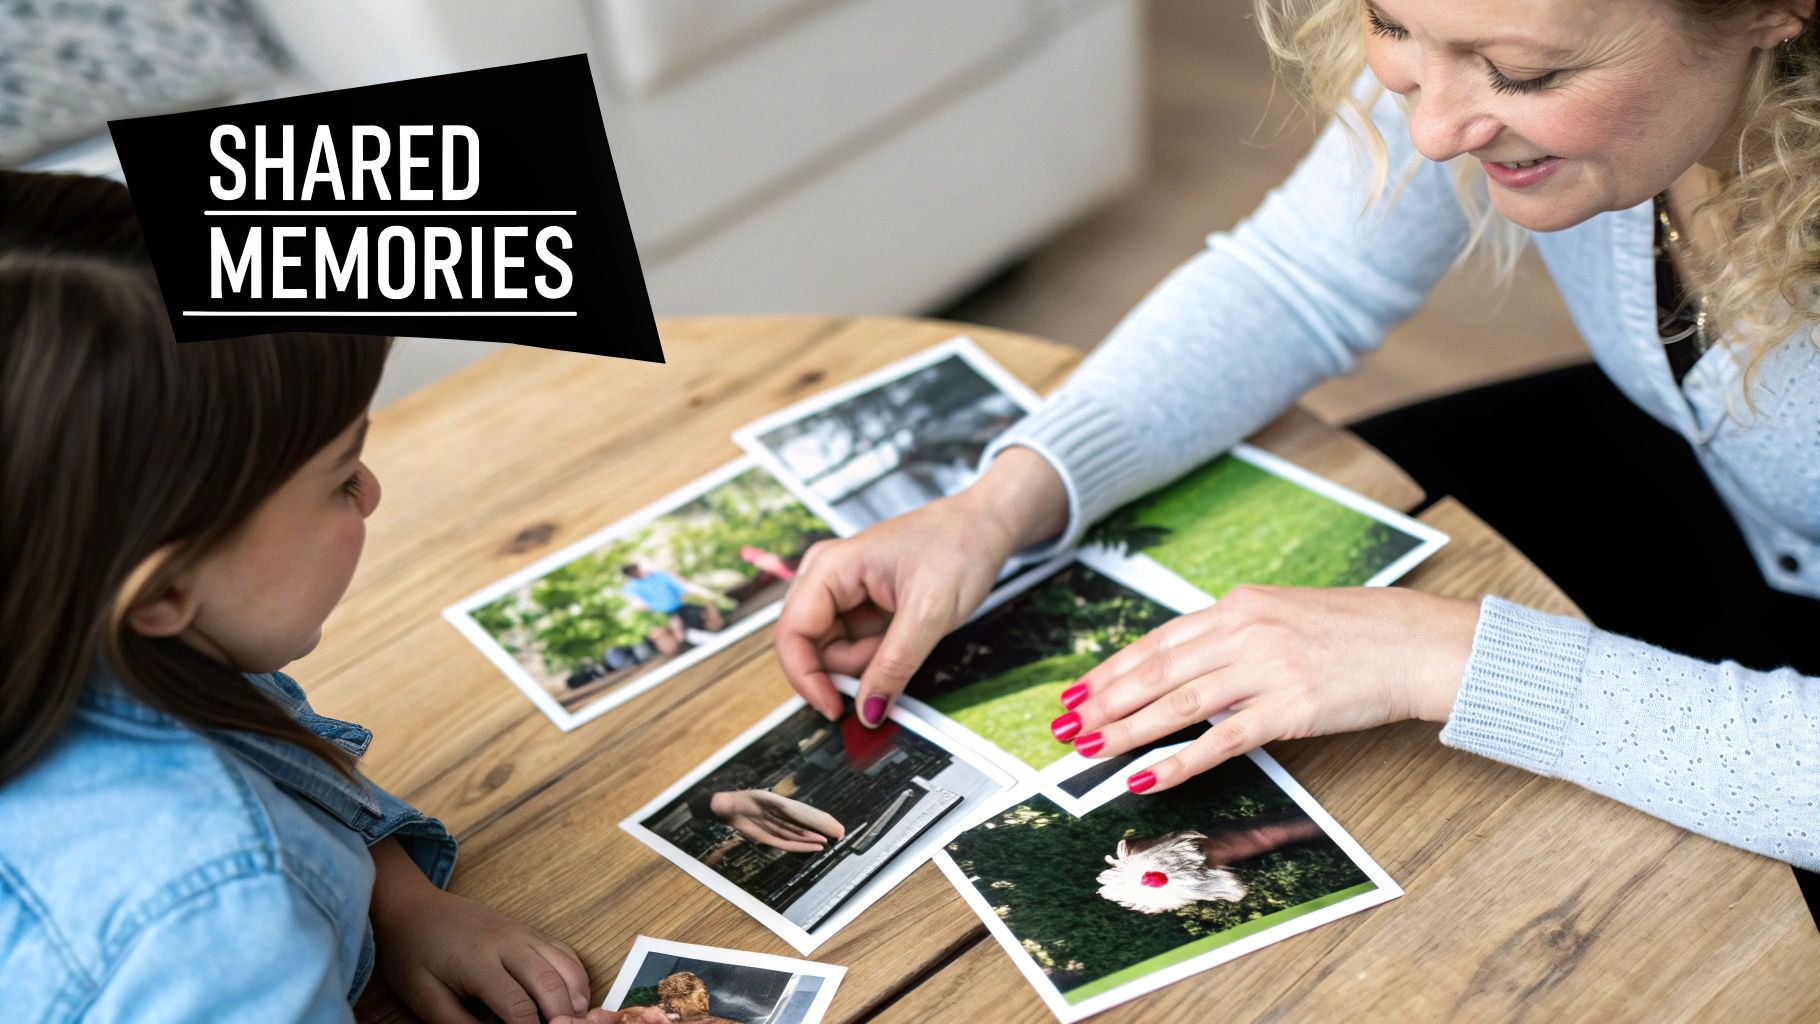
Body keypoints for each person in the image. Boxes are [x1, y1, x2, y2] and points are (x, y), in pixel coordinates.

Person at [775, 0, 1820, 897]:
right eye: (1390, 24)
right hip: (1716, 486)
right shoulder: (1475, 31)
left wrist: (1442, 657)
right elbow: (1299, 278)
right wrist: (997, 502)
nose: (1435, 128)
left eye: (1523, 73)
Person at [0, 169, 609, 1023]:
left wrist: (399, 905)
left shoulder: (96, 645)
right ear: (165, 587)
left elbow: (281, 757)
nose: (371, 493)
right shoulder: (211, 921)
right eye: (336, 478)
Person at [621, 562, 727, 654]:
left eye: (636, 569)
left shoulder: (658, 576)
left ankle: (703, 637)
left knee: (695, 618)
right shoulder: (631, 587)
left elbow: (682, 587)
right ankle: (700, 638)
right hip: (662, 614)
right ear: (630, 575)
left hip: (681, 606)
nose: (636, 572)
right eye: (632, 571)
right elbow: (637, 603)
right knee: (679, 628)